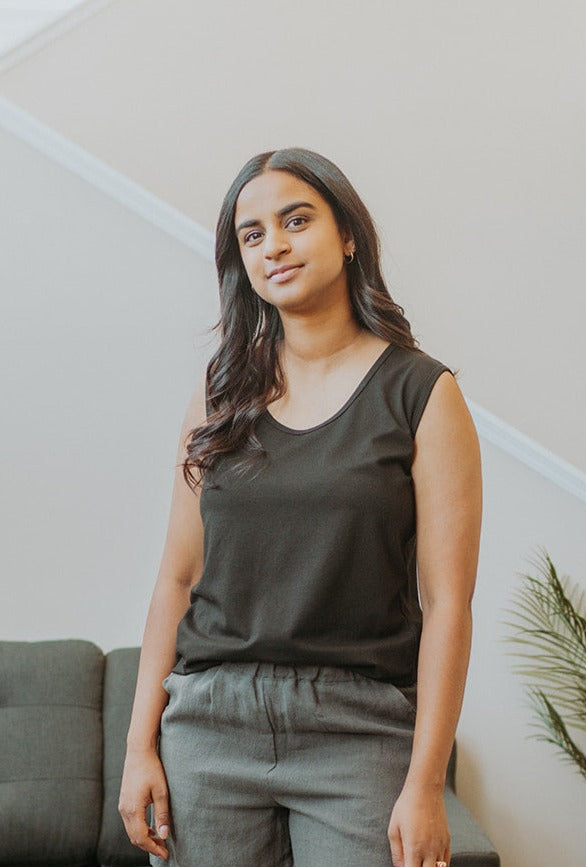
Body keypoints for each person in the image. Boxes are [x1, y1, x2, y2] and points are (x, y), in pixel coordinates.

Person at [118, 147, 482, 867]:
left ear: (347, 234)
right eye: (251, 235)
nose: (273, 245)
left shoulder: (422, 393)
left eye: (295, 220)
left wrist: (424, 784)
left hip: (358, 732)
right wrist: (139, 747)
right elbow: (176, 579)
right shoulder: (219, 393)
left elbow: (447, 604)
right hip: (209, 728)